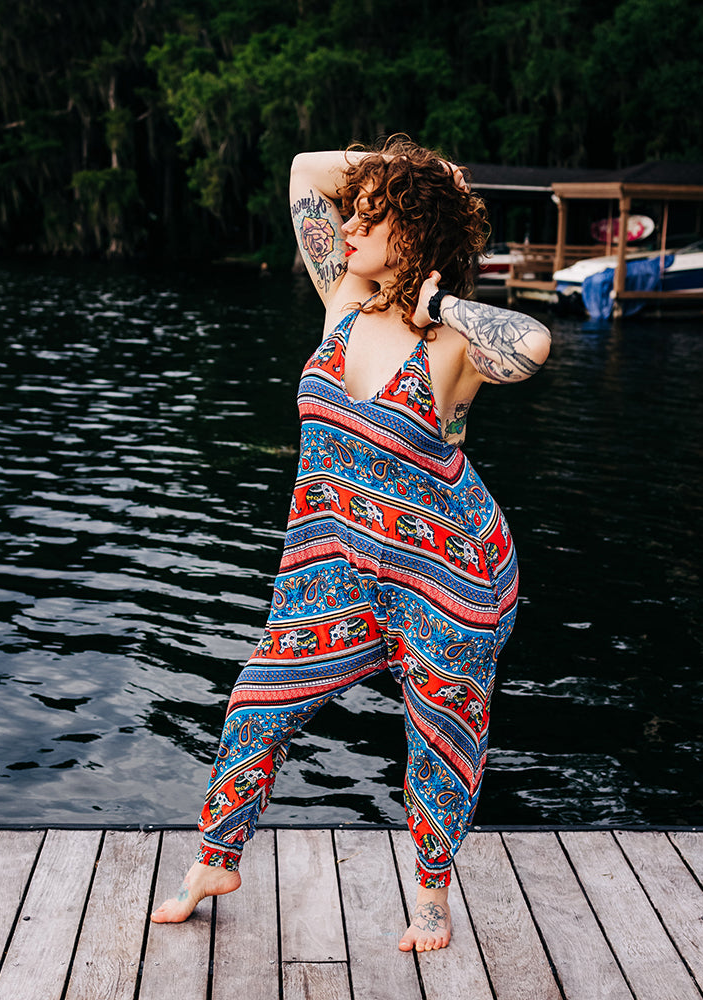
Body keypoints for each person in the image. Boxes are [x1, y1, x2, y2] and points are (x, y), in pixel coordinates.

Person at [152, 136, 551, 951]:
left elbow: (536, 345)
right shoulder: (342, 298)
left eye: (375, 216)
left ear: (414, 238)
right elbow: (304, 169)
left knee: (440, 738)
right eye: (359, 210)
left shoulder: (451, 346)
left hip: (447, 577)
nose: (353, 222)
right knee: (258, 700)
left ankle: (433, 897)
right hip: (337, 570)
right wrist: (412, 173)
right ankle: (216, 859)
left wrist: (438, 300)